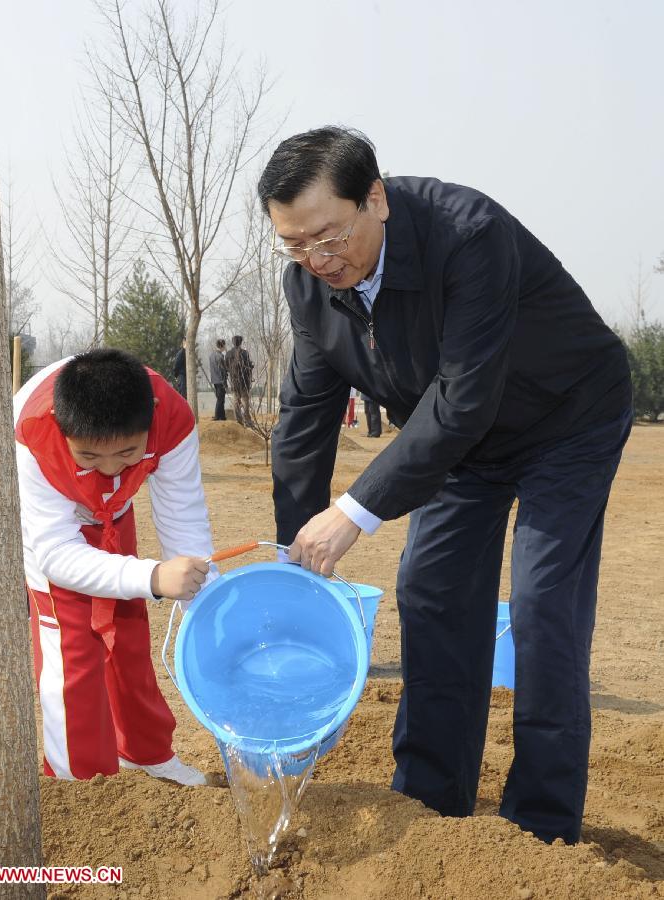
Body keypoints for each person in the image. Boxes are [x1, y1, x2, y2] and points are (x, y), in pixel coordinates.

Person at [257, 127, 632, 845]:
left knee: (544, 606)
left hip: (566, 418)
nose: (318, 259)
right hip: (461, 449)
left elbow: (463, 400)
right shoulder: (308, 285)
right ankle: (431, 804)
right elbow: (304, 421)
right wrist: (294, 558)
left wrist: (354, 512)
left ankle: (541, 828)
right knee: (431, 591)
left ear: (376, 199)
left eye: (330, 235)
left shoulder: (469, 235)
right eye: (295, 244)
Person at [14, 348, 217, 785]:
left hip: (111, 518)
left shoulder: (171, 418)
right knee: (72, 648)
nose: (109, 469)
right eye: (89, 457)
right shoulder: (34, 433)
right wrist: (151, 577)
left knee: (128, 631)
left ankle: (145, 753)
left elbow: (183, 520)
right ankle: (79, 781)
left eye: (128, 452)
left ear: (151, 420)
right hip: (55, 527)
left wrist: (204, 611)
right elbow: (55, 552)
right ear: (61, 429)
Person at [225, 335, 254, 427]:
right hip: (244, 381)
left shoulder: (228, 354)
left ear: (233, 342)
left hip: (234, 381)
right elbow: (249, 367)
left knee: (236, 401)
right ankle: (248, 421)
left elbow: (226, 367)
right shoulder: (245, 353)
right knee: (245, 401)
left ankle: (239, 421)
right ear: (241, 342)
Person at [209, 338, 228, 420]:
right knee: (220, 399)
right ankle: (217, 416)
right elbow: (222, 370)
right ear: (222, 346)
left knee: (220, 398)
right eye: (224, 345)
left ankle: (222, 416)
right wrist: (224, 381)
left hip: (214, 380)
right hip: (220, 380)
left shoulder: (211, 355)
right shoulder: (220, 356)